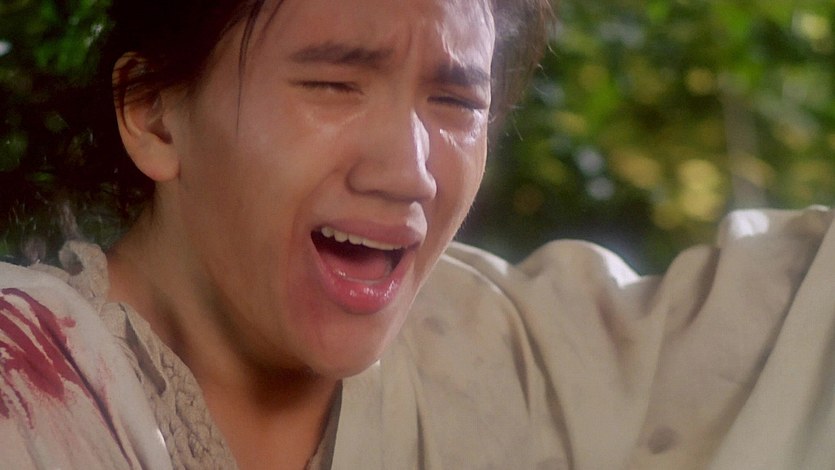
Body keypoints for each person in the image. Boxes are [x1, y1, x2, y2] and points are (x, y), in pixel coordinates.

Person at [2, 1, 835, 470]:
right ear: (153, 114)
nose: (408, 173)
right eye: (331, 84)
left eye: (456, 103)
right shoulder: (24, 395)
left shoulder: (510, 348)